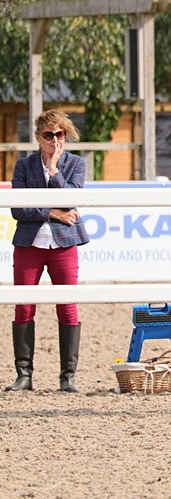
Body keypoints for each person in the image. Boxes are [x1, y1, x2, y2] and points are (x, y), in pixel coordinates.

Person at [6, 109, 90, 392]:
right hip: (29, 243)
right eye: (49, 135)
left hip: (63, 244)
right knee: (23, 305)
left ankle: (68, 377)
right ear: (38, 137)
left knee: (67, 305)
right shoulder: (23, 166)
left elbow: (70, 199)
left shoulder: (76, 163)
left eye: (60, 134)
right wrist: (53, 213)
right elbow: (18, 210)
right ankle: (24, 374)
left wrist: (54, 170)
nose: (55, 140)